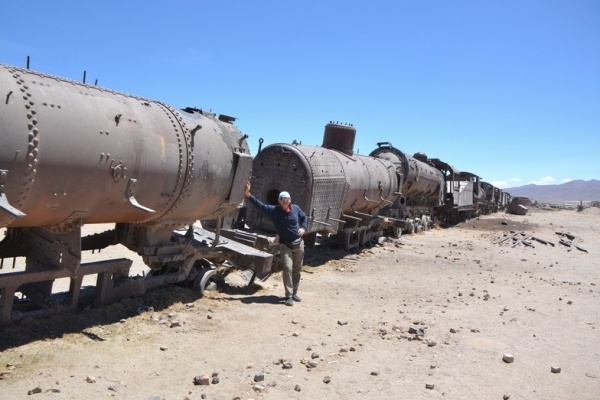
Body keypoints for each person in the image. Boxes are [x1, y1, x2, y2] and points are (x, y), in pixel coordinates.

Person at [244, 181, 307, 306]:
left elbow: (304, 217)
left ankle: (294, 292)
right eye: (282, 199)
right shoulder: (274, 211)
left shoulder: (296, 208)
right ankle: (289, 296)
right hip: (285, 245)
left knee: (297, 270)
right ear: (279, 201)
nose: (284, 200)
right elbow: (260, 206)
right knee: (287, 269)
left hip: (299, 244)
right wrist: (248, 195)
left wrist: (303, 228)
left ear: (290, 200)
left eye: (286, 198)